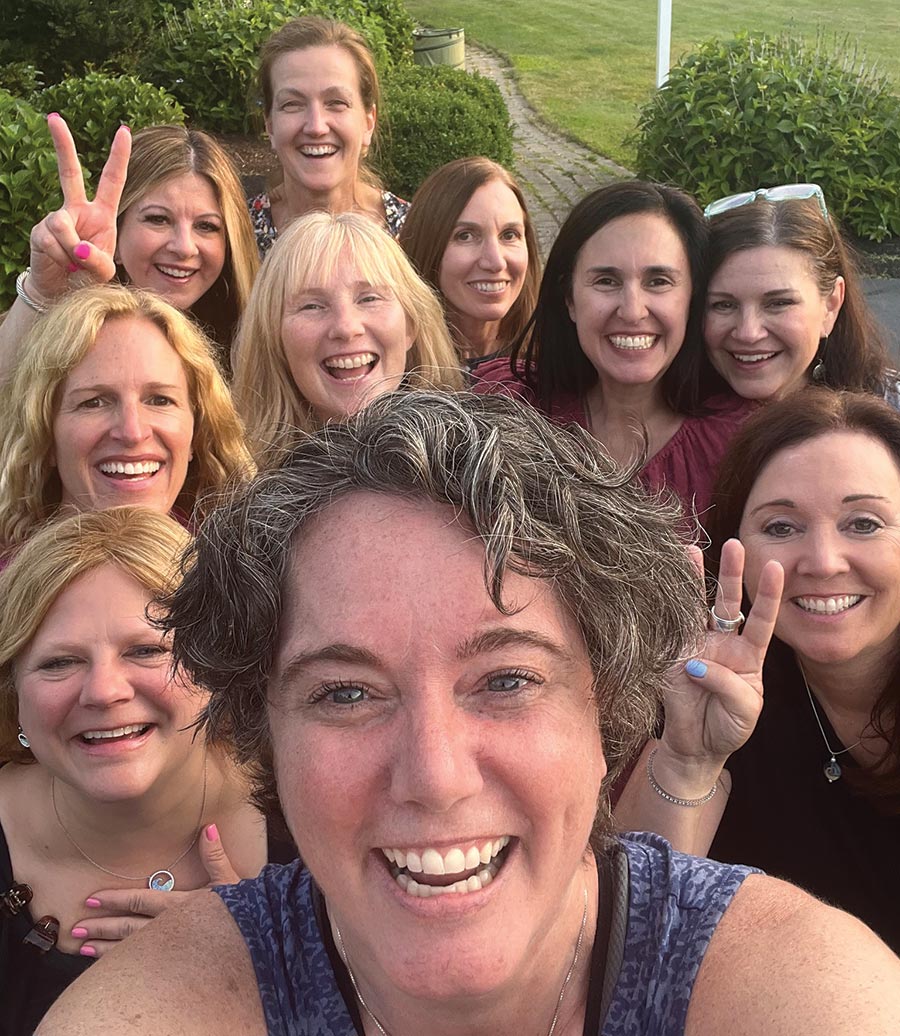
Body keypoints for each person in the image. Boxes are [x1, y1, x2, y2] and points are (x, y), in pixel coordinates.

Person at [38, 391, 900, 1036]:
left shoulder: (801, 996)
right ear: (264, 727)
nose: (435, 776)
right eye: (345, 693)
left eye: (507, 680)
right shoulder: (152, 1013)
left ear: (609, 709)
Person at [614, 387, 900, 952]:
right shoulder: (721, 690)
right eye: (781, 528)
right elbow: (628, 939)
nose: (822, 563)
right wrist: (688, 761)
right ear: (734, 550)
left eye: (863, 523)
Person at [0, 507, 267, 1034]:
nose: (103, 691)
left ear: (217, 666)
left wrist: (270, 955)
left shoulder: (311, 825)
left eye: (146, 650)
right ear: (15, 698)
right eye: (59, 662)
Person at [474, 181, 752, 517]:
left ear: (692, 297)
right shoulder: (507, 407)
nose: (632, 311)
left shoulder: (741, 444)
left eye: (658, 281)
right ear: (569, 300)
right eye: (606, 281)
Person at [0, 284, 252, 551]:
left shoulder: (242, 568)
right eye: (93, 403)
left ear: (196, 430)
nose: (133, 432)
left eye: (160, 400)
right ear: (45, 433)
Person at [1, 119, 259, 369]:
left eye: (206, 226)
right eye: (158, 219)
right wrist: (43, 294)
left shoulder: (255, 343)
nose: (184, 247)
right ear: (117, 228)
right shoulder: (73, 344)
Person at [231, 210, 464, 466]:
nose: (346, 327)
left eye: (368, 298)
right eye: (312, 306)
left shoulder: (473, 475)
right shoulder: (239, 483)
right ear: (274, 338)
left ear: (411, 325)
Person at [702, 183, 894, 403]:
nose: (748, 333)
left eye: (778, 303)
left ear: (831, 305)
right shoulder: (665, 424)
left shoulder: (890, 415)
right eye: (723, 305)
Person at [249, 16, 408, 256]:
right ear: (269, 125)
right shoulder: (236, 236)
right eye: (292, 104)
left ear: (368, 121)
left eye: (336, 103)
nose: (316, 127)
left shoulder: (415, 235)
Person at [398, 157, 540, 366]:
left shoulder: (560, 359)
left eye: (509, 235)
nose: (496, 262)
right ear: (427, 246)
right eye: (465, 236)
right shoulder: (394, 370)